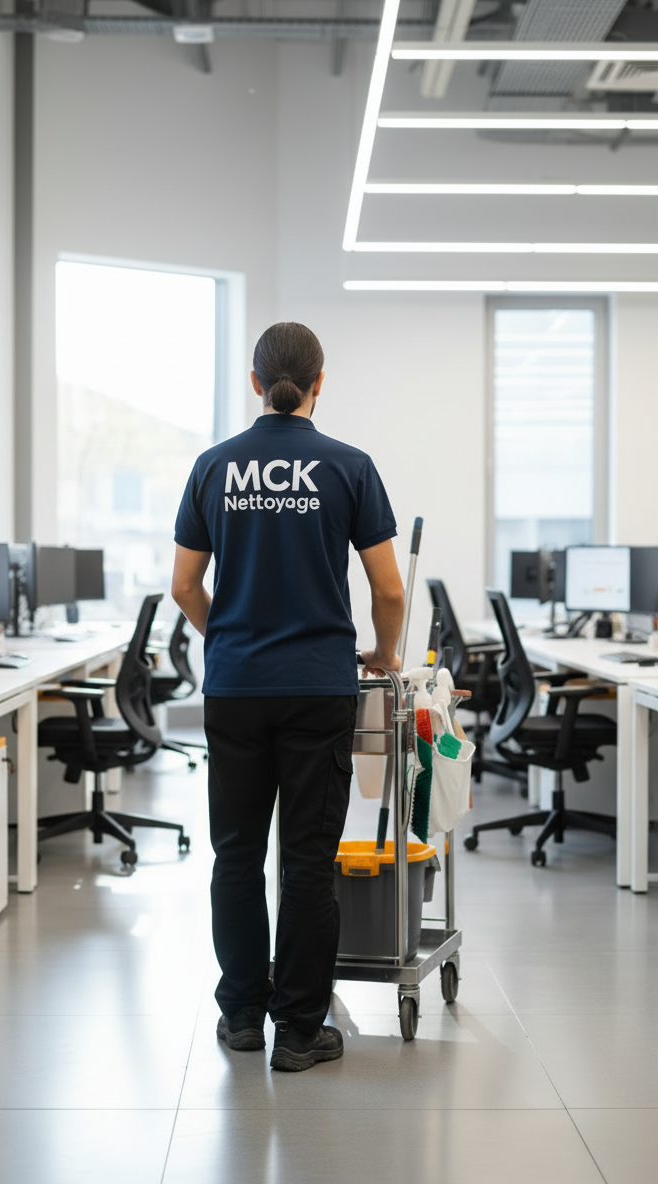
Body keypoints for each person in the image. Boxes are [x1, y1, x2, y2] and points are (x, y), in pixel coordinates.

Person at [171, 322, 405, 1072]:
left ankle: (241, 1015)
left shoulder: (213, 468)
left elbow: (183, 585)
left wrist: (228, 636)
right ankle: (300, 1033)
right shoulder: (349, 467)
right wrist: (384, 653)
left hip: (236, 686)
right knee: (308, 860)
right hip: (316, 687)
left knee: (235, 855)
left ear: (254, 382)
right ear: (319, 381)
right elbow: (390, 587)